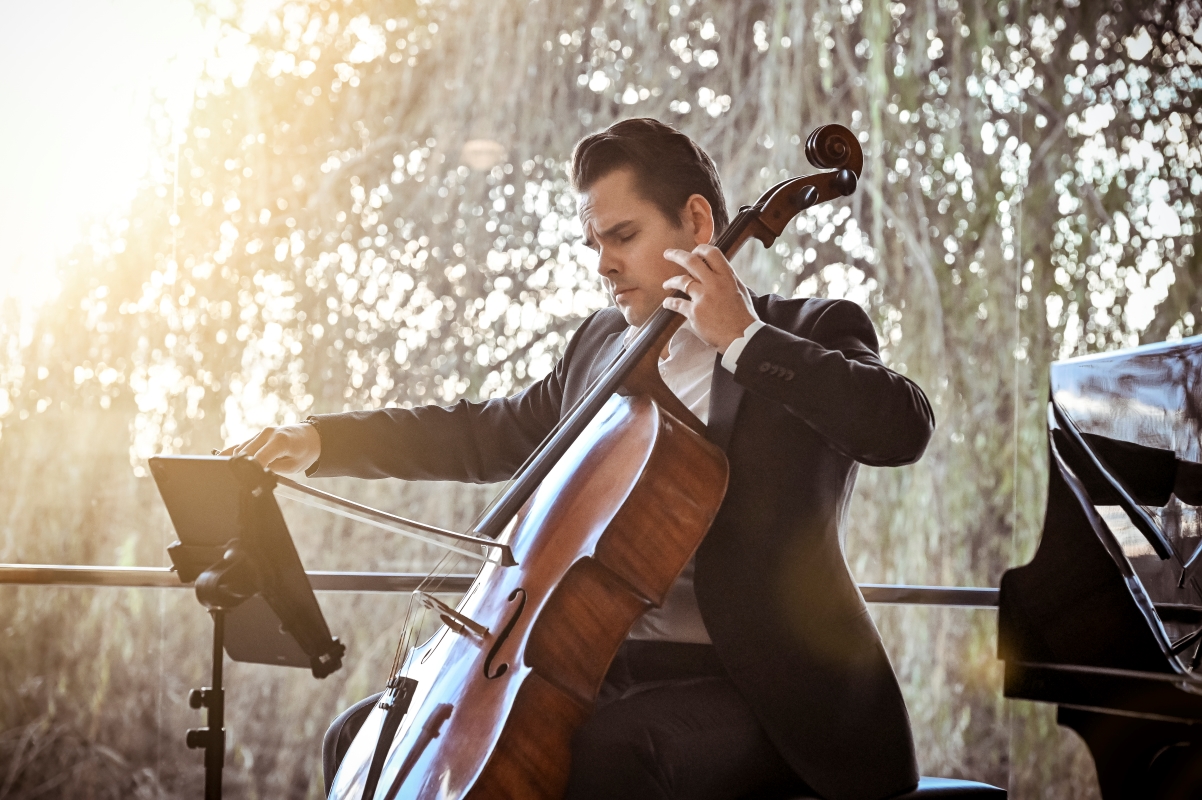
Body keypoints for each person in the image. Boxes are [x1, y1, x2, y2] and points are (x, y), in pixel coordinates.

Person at [228, 118, 934, 800]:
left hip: (759, 690)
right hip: (596, 670)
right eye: (594, 241)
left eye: (623, 236)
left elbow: (901, 427)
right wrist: (321, 441)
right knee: (360, 737)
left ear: (694, 222)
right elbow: (486, 433)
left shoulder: (809, 329)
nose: (604, 263)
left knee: (611, 756)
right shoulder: (601, 345)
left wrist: (744, 339)